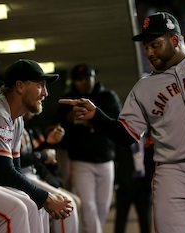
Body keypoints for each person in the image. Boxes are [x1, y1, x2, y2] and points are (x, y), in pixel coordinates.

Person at [58, 11, 185, 233]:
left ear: (175, 40)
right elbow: (126, 135)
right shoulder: (144, 87)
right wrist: (97, 117)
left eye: (155, 45)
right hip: (173, 173)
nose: (149, 52)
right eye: (146, 46)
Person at [0, 59, 74, 232]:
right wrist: (46, 197)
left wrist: (43, 198)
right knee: (17, 210)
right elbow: (4, 174)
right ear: (20, 86)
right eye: (40, 85)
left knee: (35, 204)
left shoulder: (16, 118)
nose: (46, 93)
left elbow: (15, 170)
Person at [53, 64, 122, 233]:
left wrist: (91, 122)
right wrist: (69, 120)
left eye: (87, 78)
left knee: (102, 207)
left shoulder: (107, 97)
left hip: (106, 160)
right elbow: (57, 127)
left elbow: (117, 125)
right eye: (79, 79)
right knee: (88, 206)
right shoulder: (68, 99)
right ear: (74, 82)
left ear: (94, 77)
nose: (83, 82)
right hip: (81, 161)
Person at [21, 111, 81, 233]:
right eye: (39, 90)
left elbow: (36, 161)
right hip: (20, 177)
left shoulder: (27, 126)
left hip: (33, 175)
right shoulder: (8, 120)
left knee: (70, 203)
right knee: (67, 204)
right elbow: (13, 163)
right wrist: (43, 154)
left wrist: (47, 145)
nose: (44, 93)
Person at [114, 132, 155, 233]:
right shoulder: (122, 137)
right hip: (125, 184)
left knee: (146, 221)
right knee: (120, 220)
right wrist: (118, 182)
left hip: (144, 185)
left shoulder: (151, 136)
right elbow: (116, 158)